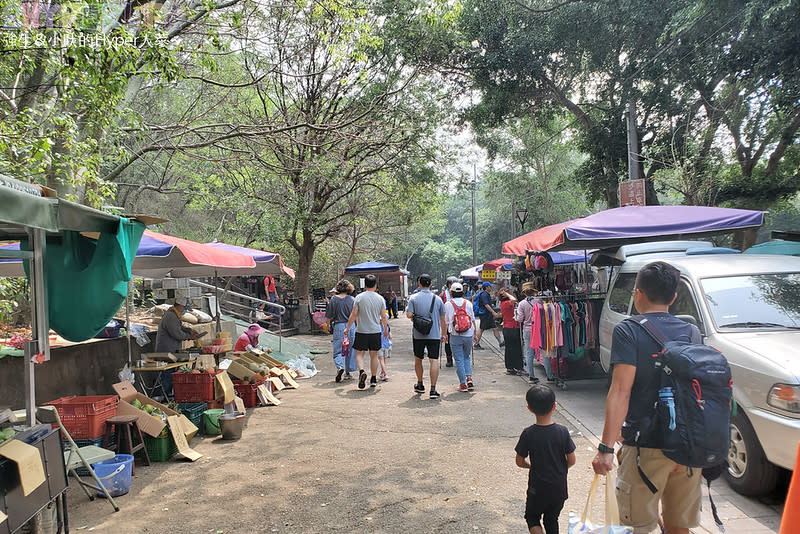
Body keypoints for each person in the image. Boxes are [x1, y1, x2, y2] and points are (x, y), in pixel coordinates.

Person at [592, 262, 703, 534]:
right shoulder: (692, 332)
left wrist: (606, 449)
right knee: (680, 527)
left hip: (646, 448)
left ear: (637, 294)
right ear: (674, 298)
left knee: (635, 527)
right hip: (688, 449)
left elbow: (621, 391)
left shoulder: (628, 330)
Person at [515, 385, 576, 534]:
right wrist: (561, 468)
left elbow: (519, 461)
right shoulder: (562, 431)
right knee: (551, 519)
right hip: (559, 487)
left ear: (529, 408)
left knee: (532, 517)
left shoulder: (528, 433)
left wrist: (530, 466)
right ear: (555, 406)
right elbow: (572, 460)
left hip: (538, 487)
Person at [406, 273, 447, 399]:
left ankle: (420, 384)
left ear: (419, 283)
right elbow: (443, 320)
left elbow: (408, 315)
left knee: (418, 359)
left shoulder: (413, 298)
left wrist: (416, 317)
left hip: (418, 335)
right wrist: (444, 334)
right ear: (430, 284)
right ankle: (433, 389)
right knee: (433, 360)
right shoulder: (438, 299)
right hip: (434, 334)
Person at [344, 274, 389, 390]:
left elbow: (353, 314)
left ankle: (362, 372)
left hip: (361, 330)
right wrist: (385, 330)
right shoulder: (380, 299)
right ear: (375, 285)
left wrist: (347, 328)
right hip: (375, 331)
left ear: (365, 285)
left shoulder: (359, 297)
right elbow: (383, 316)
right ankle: (373, 379)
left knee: (359, 354)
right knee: (374, 355)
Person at [155, 298, 202, 398]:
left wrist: (189, 330)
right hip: (166, 352)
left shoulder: (175, 316)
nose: (184, 310)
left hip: (172, 351)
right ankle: (164, 397)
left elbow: (179, 328)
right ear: (180, 306)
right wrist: (189, 336)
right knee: (167, 375)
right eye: (184, 308)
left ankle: (169, 396)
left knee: (172, 374)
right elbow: (177, 333)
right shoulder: (171, 316)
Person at [443, 282, 477, 392]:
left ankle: (463, 384)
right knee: (466, 357)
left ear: (451, 293)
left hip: (455, 335)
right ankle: (469, 378)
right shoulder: (468, 303)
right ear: (462, 292)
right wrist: (475, 334)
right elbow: (472, 320)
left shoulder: (448, 304)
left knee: (458, 359)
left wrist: (444, 335)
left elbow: (447, 322)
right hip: (468, 334)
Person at [326, 279, 357, 382]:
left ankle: (340, 367)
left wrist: (327, 326)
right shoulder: (352, 299)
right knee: (350, 349)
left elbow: (329, 315)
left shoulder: (334, 299)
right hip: (351, 326)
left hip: (339, 326)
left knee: (338, 350)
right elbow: (355, 315)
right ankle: (348, 372)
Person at [515, 282, 542, 384]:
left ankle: (532, 376)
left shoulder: (522, 303)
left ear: (524, 292)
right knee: (544, 352)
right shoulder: (539, 301)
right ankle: (550, 376)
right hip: (539, 329)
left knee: (529, 353)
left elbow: (520, 319)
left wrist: (515, 316)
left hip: (527, 330)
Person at [499, 288, 525, 375]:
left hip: (507, 328)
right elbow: (514, 300)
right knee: (516, 348)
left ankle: (510, 367)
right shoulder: (507, 303)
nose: (511, 293)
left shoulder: (503, 303)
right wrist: (507, 294)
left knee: (509, 348)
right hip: (512, 328)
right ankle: (518, 368)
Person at [473, 281, 503, 350]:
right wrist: (493, 312)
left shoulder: (486, 294)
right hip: (485, 315)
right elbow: (486, 305)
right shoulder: (484, 295)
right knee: (481, 329)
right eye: (490, 286)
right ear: (486, 287)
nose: (491, 288)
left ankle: (501, 342)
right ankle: (476, 343)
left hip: (488, 315)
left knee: (494, 327)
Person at [439, 276, 459, 367]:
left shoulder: (460, 294)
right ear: (448, 285)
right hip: (447, 321)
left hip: (458, 321)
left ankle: (458, 358)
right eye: (452, 284)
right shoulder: (442, 295)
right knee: (447, 340)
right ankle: (449, 359)